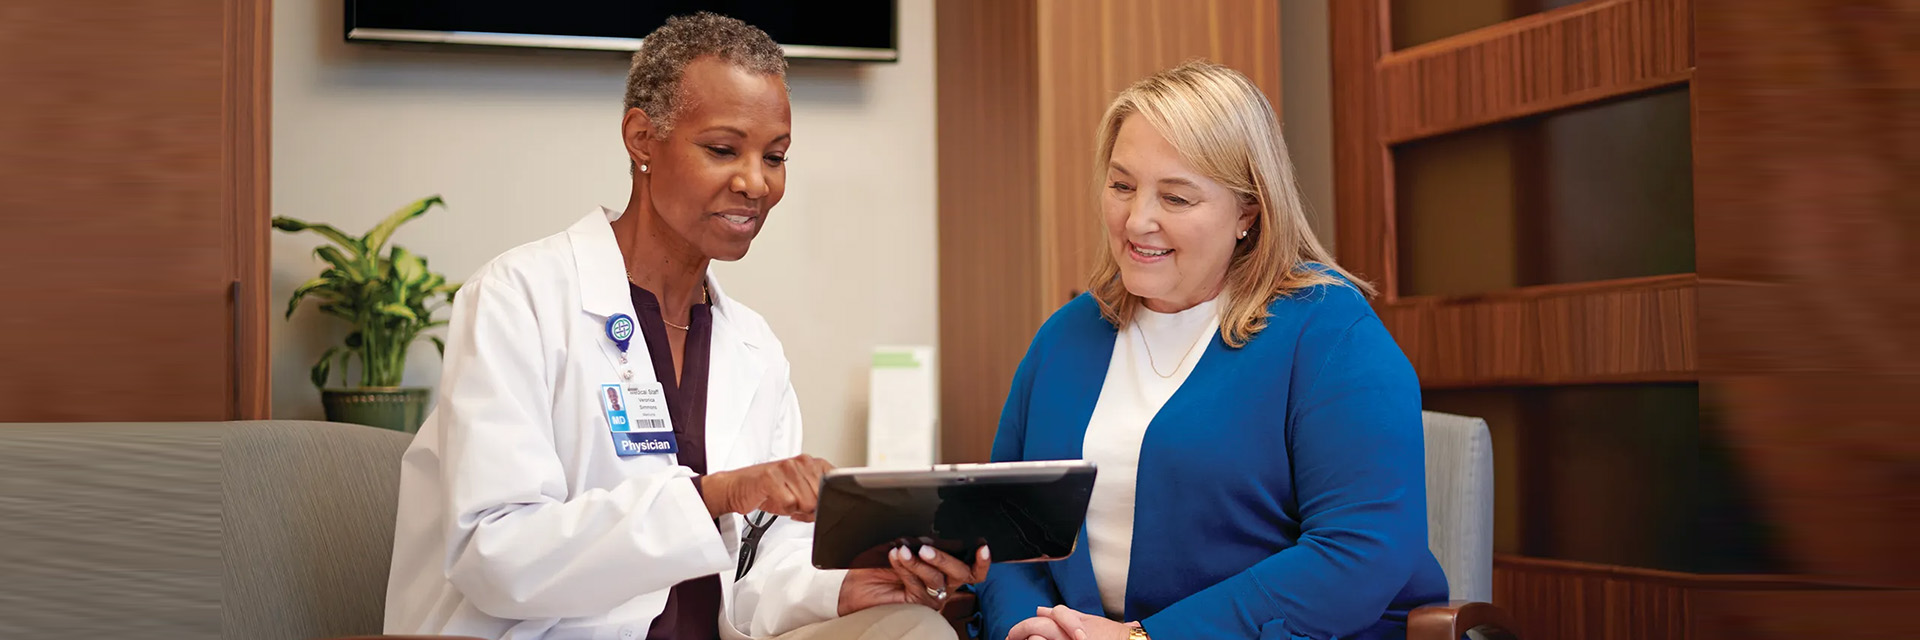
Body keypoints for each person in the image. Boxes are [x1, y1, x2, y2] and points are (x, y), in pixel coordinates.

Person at [383, 13, 985, 640]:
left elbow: (752, 582)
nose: (756, 183)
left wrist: (843, 589)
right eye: (723, 149)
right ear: (642, 138)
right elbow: (494, 556)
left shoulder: (752, 348)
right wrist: (712, 496)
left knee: (912, 627)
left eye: (774, 157)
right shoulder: (520, 299)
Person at [975, 60, 1448, 640]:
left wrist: (1143, 638)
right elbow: (1003, 530)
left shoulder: (1328, 330)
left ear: (1248, 211)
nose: (1137, 219)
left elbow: (1361, 550)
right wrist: (1025, 630)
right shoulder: (1066, 336)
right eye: (1122, 186)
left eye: (1175, 198)